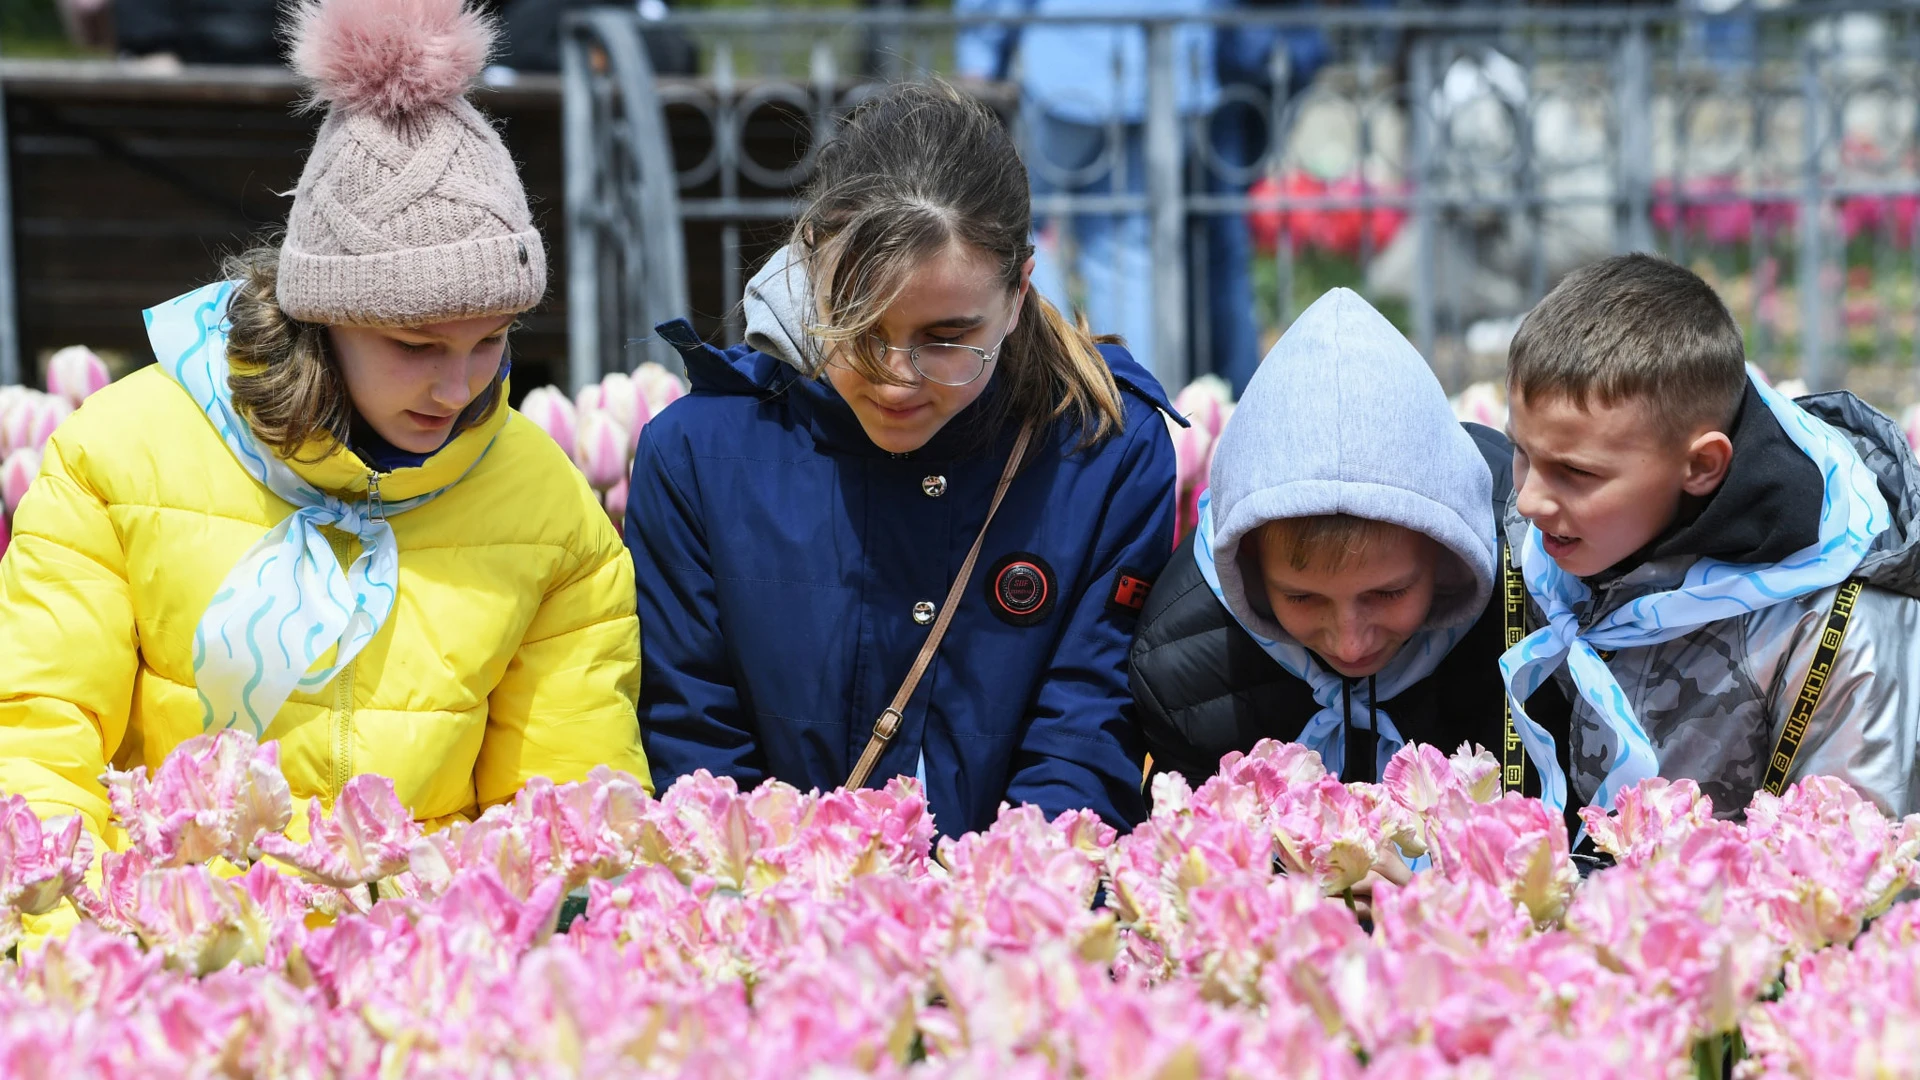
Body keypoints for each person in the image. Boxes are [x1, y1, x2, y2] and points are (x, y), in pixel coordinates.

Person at [0, 0, 651, 850]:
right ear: (322, 316)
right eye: (416, 345)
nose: (458, 387)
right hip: (175, 936)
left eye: (492, 341)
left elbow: (571, 807)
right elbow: (36, 743)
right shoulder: (118, 454)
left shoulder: (548, 506)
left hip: (432, 955)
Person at [627, 82, 1181, 838]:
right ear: (808, 262)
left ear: (1018, 290)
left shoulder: (1106, 449)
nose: (896, 378)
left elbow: (1085, 737)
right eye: (858, 327)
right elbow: (698, 754)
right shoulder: (697, 456)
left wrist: (1006, 910)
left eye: (947, 338)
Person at [1501, 253, 1920, 821]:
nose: (1528, 499)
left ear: (1701, 466)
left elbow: (1844, 877)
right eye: (1523, 454)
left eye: (1576, 473)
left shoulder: (1836, 625)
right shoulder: (1549, 544)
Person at [1130, 287, 1570, 800]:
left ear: (1448, 556)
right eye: (1302, 598)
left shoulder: (1530, 604)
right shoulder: (1183, 663)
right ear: (1246, 566)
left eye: (1387, 594)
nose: (1350, 642)